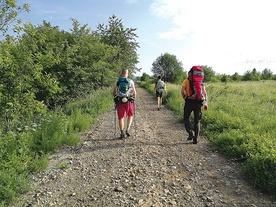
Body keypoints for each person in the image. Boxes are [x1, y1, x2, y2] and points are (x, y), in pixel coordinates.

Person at [181, 72, 208, 144]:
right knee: (197, 121)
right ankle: (196, 139)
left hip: (189, 101)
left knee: (186, 117)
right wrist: (205, 104)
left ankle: (190, 132)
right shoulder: (200, 82)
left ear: (189, 75)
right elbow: (205, 93)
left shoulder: (186, 81)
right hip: (199, 103)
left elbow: (182, 91)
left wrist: (185, 98)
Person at [112, 68, 136, 139]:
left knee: (121, 117)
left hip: (120, 101)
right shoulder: (131, 81)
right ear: (127, 74)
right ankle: (128, 129)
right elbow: (134, 93)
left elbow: (114, 92)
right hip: (129, 101)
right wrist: (133, 98)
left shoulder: (118, 81)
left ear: (121, 73)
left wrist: (116, 96)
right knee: (130, 115)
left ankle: (122, 134)